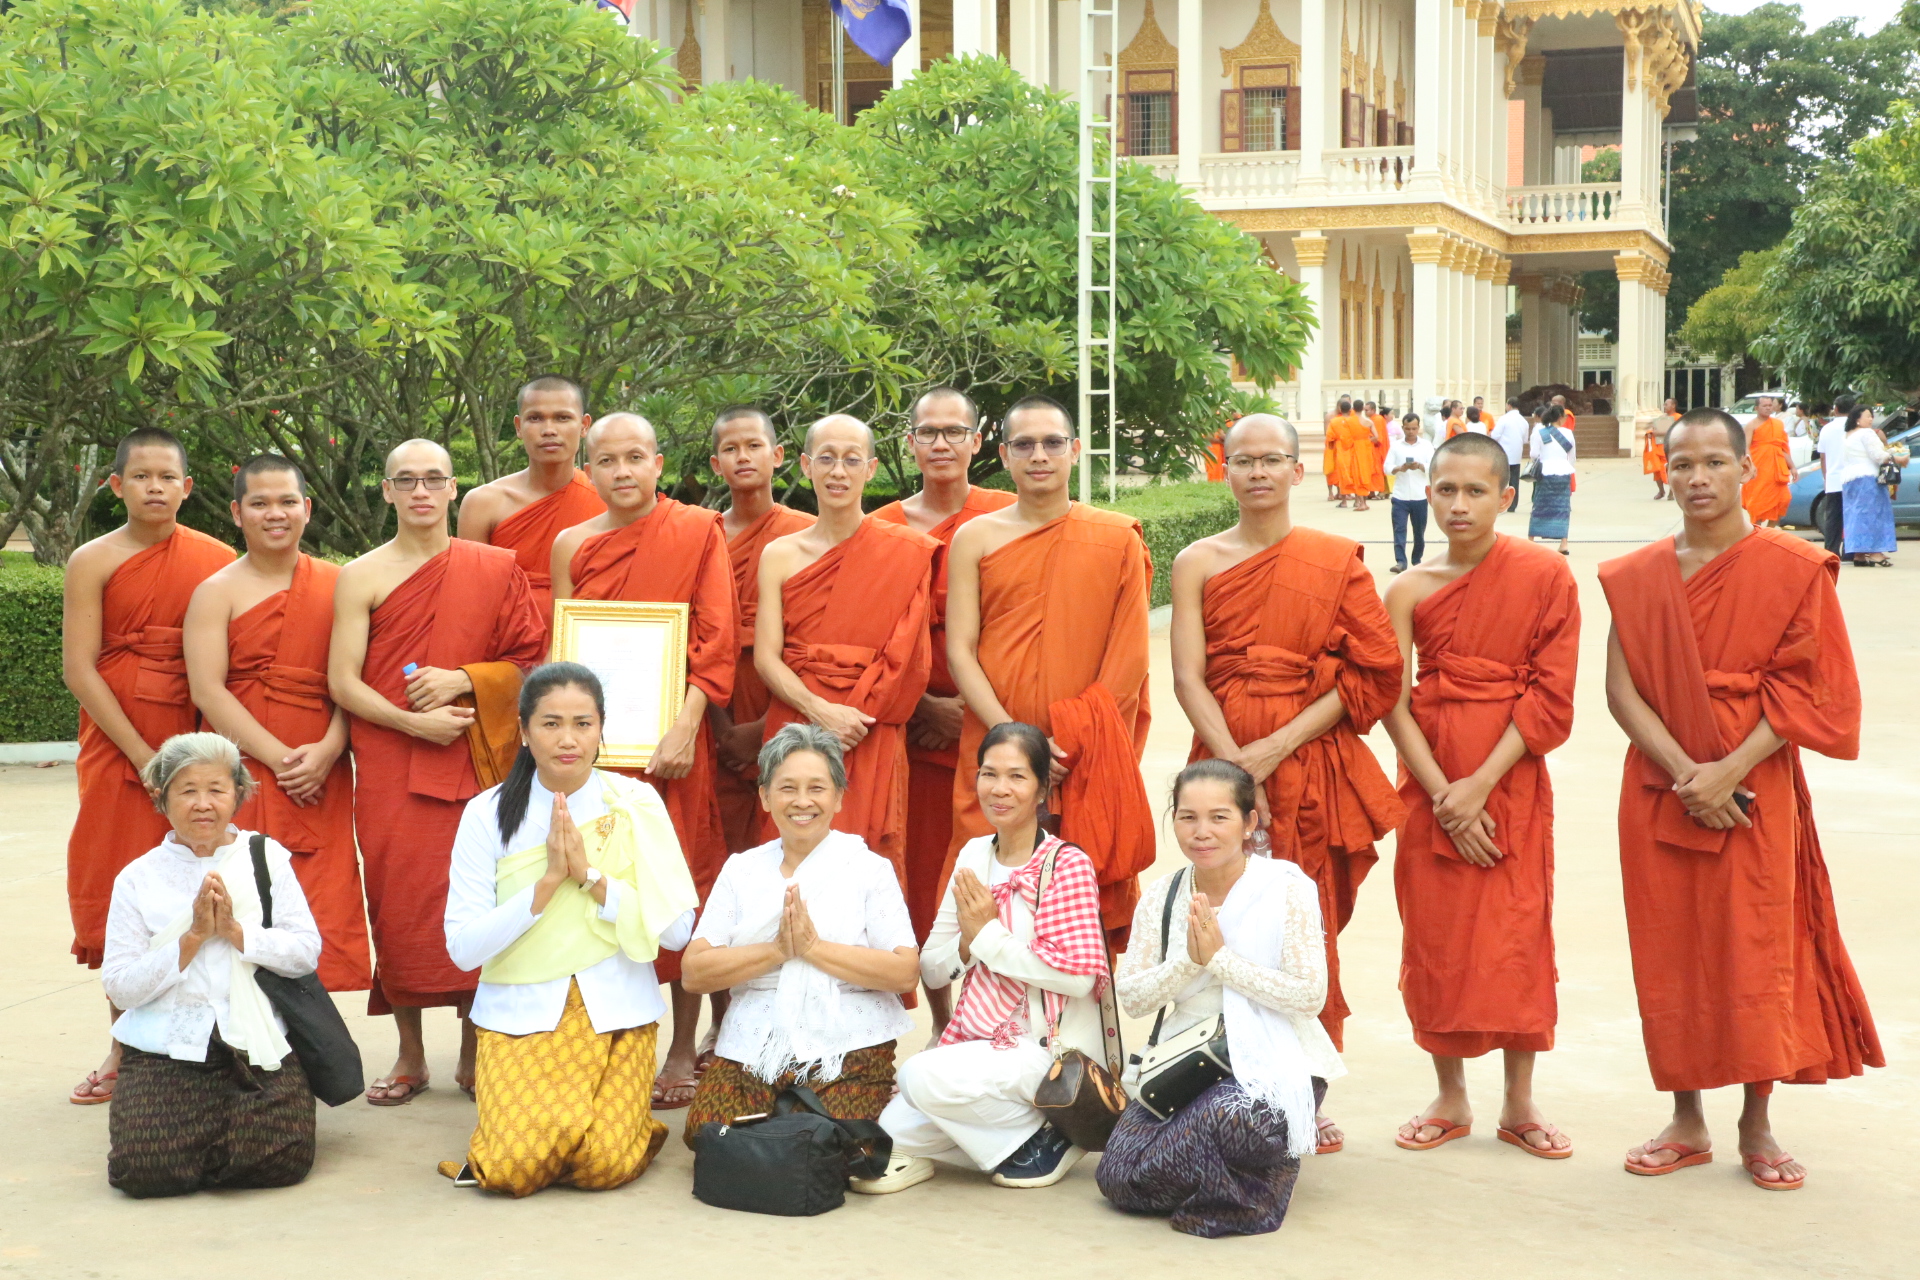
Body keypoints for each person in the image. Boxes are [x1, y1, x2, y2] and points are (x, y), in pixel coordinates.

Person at [1601, 409, 1882, 1191]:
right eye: (1682, 464)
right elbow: (1621, 690)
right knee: (1671, 948)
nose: (1697, 478)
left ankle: (1756, 1121)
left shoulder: (1793, 567)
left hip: (1757, 784)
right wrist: (1688, 773)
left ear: (1747, 468)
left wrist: (1729, 771)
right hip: (1661, 784)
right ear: (1666, 471)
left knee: (1757, 944)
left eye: (1714, 462)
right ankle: (1686, 1117)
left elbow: (1811, 688)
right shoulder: (1637, 575)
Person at [1169, 413, 1403, 1155]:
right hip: (1222, 762)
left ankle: (1307, 1086)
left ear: (1299, 470)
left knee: (1305, 924)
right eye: (1244, 460)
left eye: (1273, 459)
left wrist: (1276, 746)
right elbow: (1187, 677)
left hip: (1307, 761)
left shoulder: (1333, 560)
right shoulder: (1197, 561)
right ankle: (1219, 1080)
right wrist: (1237, 770)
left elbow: (1377, 670)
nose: (1258, 472)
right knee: (1223, 920)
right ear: (1226, 470)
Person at [329, 438, 547, 1105]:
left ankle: (475, 1051)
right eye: (406, 480)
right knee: (399, 900)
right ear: (387, 491)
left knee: (481, 894)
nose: (420, 491)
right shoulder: (360, 575)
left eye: (433, 479)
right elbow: (343, 681)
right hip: (393, 758)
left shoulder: (494, 567)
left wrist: (464, 679)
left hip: (477, 753)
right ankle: (410, 1053)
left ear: (454, 489)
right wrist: (410, 723)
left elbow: (532, 660)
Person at [1381, 432, 1579, 1158]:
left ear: (1507, 497)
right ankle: (1451, 1095)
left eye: (1475, 491)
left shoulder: (1544, 575)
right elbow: (1391, 699)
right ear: (1427, 493)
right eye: (1445, 490)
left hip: (1510, 777)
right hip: (1430, 778)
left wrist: (1480, 786)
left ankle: (1519, 1103)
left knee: (1516, 936)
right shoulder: (1406, 588)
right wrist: (1445, 796)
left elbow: (1552, 693)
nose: (1458, 505)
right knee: (1436, 935)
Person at [439, 663, 699, 1196]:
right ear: (524, 730)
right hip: (520, 1012)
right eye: (551, 723)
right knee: (512, 1168)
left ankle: (623, 1128)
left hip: (618, 1013)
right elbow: (463, 949)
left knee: (604, 1164)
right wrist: (546, 886)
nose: (568, 739)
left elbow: (677, 932)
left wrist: (592, 879)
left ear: (602, 729)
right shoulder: (486, 814)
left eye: (583, 724)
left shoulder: (634, 805)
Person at [550, 413, 738, 1110]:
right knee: (593, 890)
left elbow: (717, 637)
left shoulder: (696, 532)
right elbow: (564, 652)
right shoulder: (571, 543)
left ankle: (683, 1046)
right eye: (607, 460)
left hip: (672, 748)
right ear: (589, 468)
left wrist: (685, 727)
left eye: (635, 457)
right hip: (597, 751)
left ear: (658, 464)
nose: (622, 471)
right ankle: (604, 1044)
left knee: (675, 887)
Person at [857, 722, 1111, 1194]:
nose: (1000, 789)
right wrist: (967, 945)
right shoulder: (974, 854)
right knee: (890, 1133)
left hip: (1049, 1052)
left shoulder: (1066, 864)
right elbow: (932, 966)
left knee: (917, 1076)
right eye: (989, 774)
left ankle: (1051, 1126)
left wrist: (989, 937)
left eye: (1017, 776)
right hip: (980, 1041)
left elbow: (1077, 979)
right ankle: (1035, 1136)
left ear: (1042, 789)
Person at [1097, 760, 1342, 1238]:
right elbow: (1133, 997)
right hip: (1186, 1060)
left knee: (1227, 1119)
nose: (1201, 832)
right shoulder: (1163, 896)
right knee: (1118, 1178)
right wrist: (1189, 962)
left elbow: (1309, 996)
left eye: (1219, 817)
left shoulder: (1286, 889)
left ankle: (1251, 1183)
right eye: (1187, 817)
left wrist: (1220, 960)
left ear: (1249, 822)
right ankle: (1214, 1169)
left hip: (1274, 1057)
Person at [62, 428, 235, 1104]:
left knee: (207, 882)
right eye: (141, 476)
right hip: (119, 743)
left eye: (167, 477)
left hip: (195, 735)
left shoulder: (216, 559)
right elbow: (80, 668)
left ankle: (219, 1040)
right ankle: (123, 1046)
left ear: (187, 488)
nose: (155, 487)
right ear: (116, 486)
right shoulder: (92, 560)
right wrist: (141, 755)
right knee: (119, 883)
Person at [947, 395, 1156, 947]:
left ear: (1075, 450)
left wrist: (1072, 744)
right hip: (997, 748)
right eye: (1024, 444)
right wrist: (1018, 745)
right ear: (1003, 455)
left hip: (1082, 756)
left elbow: (1130, 659)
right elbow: (960, 650)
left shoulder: (1115, 537)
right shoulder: (975, 538)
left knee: (1082, 907)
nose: (1039, 455)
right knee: (985, 899)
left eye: (1052, 443)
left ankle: (1083, 1007)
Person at [102, 733, 320, 1198]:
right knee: (142, 1170)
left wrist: (237, 933)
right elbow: (120, 987)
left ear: (238, 794)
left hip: (255, 1037)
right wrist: (192, 940)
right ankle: (205, 1143)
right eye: (188, 790)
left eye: (216, 790)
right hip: (168, 1045)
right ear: (161, 797)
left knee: (284, 1160)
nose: (203, 804)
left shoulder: (266, 860)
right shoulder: (137, 878)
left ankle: (207, 1144)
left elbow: (305, 952)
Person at [184, 456, 371, 993]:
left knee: (323, 898)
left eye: (287, 501)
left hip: (322, 766)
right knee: (249, 892)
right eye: (260, 503)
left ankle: (315, 1036)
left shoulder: (340, 584)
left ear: (306, 508)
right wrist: (280, 760)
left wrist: (330, 749)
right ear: (236, 512)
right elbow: (207, 689)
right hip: (246, 767)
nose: (275, 513)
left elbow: (356, 680)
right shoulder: (215, 591)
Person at [680, 724, 919, 1142]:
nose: (802, 801)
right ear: (765, 797)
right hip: (755, 1039)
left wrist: (812, 948)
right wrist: (776, 950)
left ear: (839, 797)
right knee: (709, 1135)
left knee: (826, 1140)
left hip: (847, 1041)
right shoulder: (742, 870)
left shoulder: (868, 869)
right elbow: (693, 972)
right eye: (787, 788)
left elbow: (904, 972)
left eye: (817, 788)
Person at [871, 388, 1017, 1032]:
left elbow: (1019, 626)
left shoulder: (1009, 516)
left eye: (954, 432)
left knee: (997, 876)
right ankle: (942, 1020)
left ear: (977, 441)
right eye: (927, 432)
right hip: (912, 730)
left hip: (993, 723)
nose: (941, 443)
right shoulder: (881, 527)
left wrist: (976, 711)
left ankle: (1000, 1012)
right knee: (924, 875)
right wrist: (924, 705)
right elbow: (870, 635)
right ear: (909, 443)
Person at [755, 414, 938, 870]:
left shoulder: (906, 552)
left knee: (866, 863)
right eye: (827, 459)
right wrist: (822, 712)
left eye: (852, 460)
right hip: (797, 720)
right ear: (806, 465)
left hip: (868, 728)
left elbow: (909, 664)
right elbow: (766, 658)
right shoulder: (780, 554)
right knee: (788, 855)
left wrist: (850, 718)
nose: (838, 471)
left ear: (870, 469)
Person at [708, 407, 816, 854]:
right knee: (716, 833)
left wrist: (764, 727)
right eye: (730, 449)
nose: (743, 457)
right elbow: (692, 634)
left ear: (778, 455)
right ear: (716, 464)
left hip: (784, 700)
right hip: (712, 704)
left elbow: (814, 637)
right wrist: (721, 729)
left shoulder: (808, 534)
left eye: (754, 446)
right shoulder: (703, 535)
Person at [456, 375, 605, 636]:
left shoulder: (605, 502)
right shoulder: (483, 503)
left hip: (584, 639)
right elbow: (471, 598)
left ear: (584, 426)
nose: (549, 430)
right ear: (518, 426)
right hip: (506, 643)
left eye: (562, 418)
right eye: (535, 418)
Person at [1837, 405, 1903, 567]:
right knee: (1874, 515)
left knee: (1856, 516)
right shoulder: (1867, 433)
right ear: (1857, 419)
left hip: (1850, 480)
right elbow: (1879, 456)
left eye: (1871, 416)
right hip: (1868, 479)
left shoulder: (1848, 436)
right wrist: (1899, 457)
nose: (1871, 419)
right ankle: (1875, 553)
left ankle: (1859, 554)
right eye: (1867, 416)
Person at [1386, 412, 1435, 571]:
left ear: (1418, 428)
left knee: (1419, 532)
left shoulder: (1426, 445)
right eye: (1408, 429)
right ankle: (1401, 561)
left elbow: (1434, 465)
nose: (1411, 431)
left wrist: (1420, 466)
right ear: (1403, 428)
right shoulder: (1396, 446)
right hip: (1400, 496)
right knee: (1399, 529)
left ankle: (1416, 559)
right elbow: (1386, 467)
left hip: (1420, 496)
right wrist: (1400, 468)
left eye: (1414, 428)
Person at [1740, 395, 1794, 528]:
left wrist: (1792, 467)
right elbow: (1746, 447)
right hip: (1759, 469)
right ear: (1756, 408)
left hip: (1776, 470)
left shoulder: (1778, 424)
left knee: (1784, 499)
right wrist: (1750, 465)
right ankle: (1756, 532)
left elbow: (1783, 448)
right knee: (1758, 503)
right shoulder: (1751, 425)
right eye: (1765, 406)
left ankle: (1770, 530)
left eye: (1770, 405)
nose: (1768, 408)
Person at [1528, 405, 1575, 555]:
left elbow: (1534, 454)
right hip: (1563, 473)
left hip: (1545, 472)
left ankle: (1531, 540)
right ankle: (1564, 543)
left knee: (1540, 506)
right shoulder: (1568, 433)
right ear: (1560, 417)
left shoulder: (1540, 432)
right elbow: (1572, 457)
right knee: (1563, 508)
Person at [1814, 396, 1854, 556]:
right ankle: (1850, 551)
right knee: (1852, 516)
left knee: (1833, 518)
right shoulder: (1856, 427)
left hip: (1834, 479)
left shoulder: (1827, 429)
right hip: (1853, 479)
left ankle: (1831, 551)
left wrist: (1826, 477)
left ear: (1835, 409)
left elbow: (1823, 457)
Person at [1492, 398, 1528, 513]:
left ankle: (1499, 502)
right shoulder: (1523, 421)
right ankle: (1512, 505)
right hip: (1516, 455)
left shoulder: (1504, 419)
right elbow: (1525, 439)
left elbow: (1495, 435)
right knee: (1514, 480)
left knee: (1500, 480)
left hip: (1503, 454)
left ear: (1509, 405)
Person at [1643, 401, 1675, 500]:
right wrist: (1651, 432)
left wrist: (1659, 432)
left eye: (1666, 404)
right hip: (1658, 447)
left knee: (1669, 470)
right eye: (1664, 404)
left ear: (1673, 406)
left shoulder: (1678, 417)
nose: (1664, 406)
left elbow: (1676, 431)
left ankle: (1671, 493)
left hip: (1669, 448)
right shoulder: (1661, 418)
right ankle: (1661, 491)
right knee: (1657, 470)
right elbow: (1652, 428)